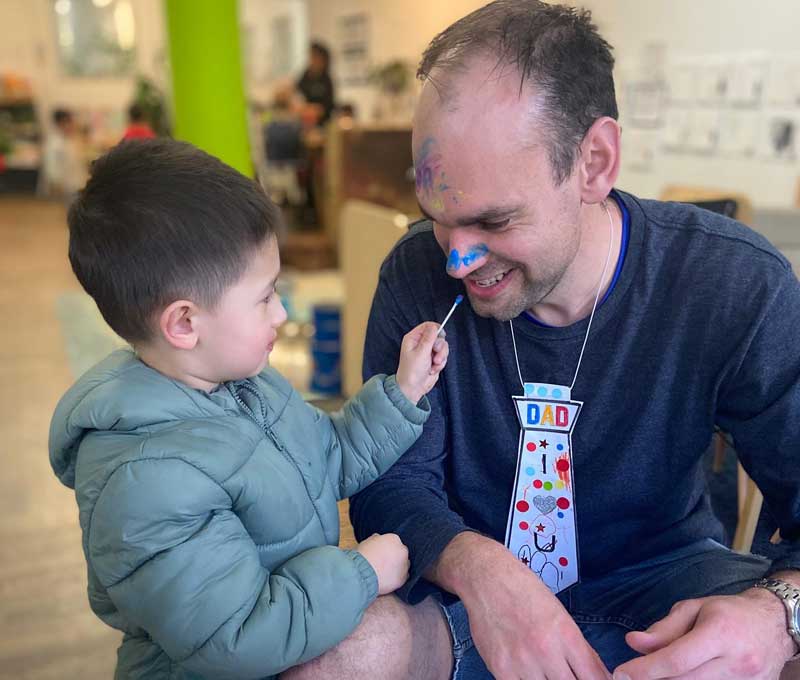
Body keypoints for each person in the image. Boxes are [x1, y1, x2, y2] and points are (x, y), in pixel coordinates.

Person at [284, 2, 800, 679]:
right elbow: (391, 488)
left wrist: (778, 615)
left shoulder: (731, 280)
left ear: (593, 161)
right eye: (437, 217)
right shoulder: (416, 276)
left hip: (669, 585)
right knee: (332, 655)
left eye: (493, 220)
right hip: (463, 597)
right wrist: (483, 571)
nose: (456, 261)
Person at [48, 138, 449, 679]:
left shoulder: (244, 383)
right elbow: (235, 639)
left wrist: (402, 392)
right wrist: (360, 575)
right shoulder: (145, 481)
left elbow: (327, 456)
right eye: (264, 297)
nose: (281, 313)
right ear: (184, 324)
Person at [41, 107, 87, 199]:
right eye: (67, 122)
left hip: (77, 184)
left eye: (71, 122)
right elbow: (52, 166)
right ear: (59, 124)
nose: (71, 125)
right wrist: (57, 183)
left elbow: (78, 162)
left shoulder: (71, 139)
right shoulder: (54, 143)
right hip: (67, 187)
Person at [296, 41, 336, 126]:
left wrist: (315, 109)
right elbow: (297, 94)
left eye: (315, 56)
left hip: (323, 124)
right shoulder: (305, 75)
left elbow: (329, 105)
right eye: (311, 56)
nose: (312, 60)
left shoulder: (326, 79)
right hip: (305, 123)